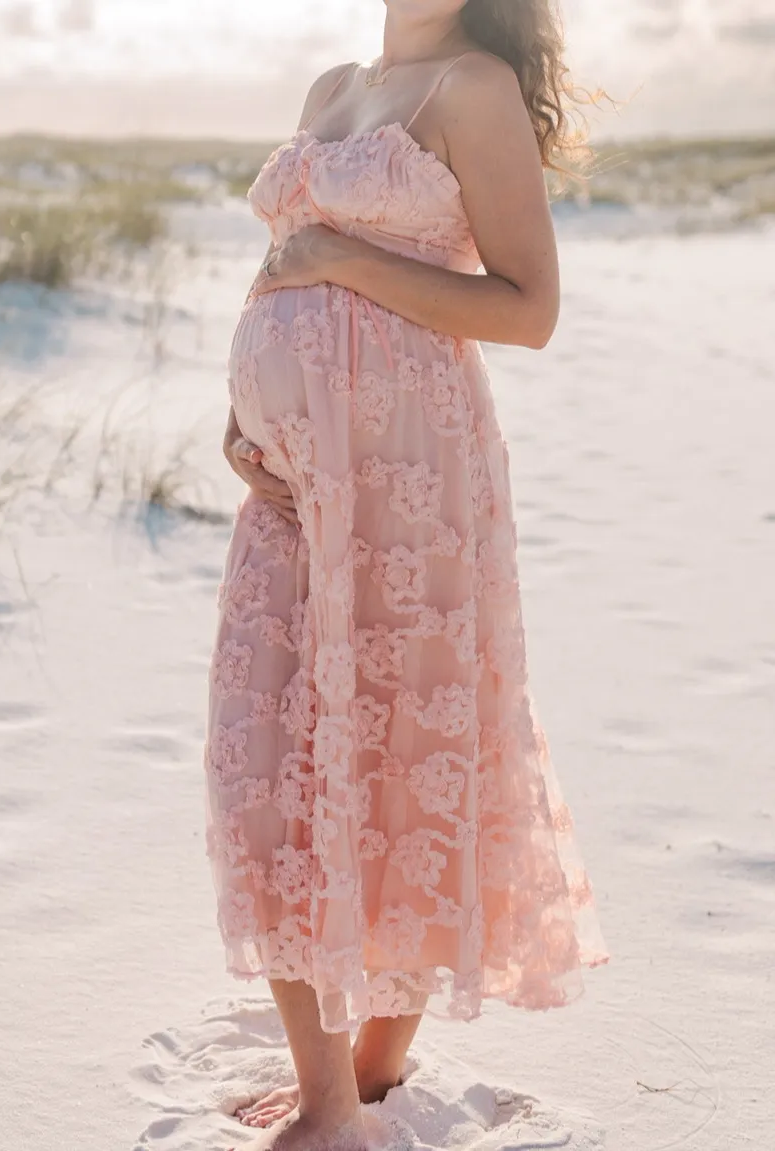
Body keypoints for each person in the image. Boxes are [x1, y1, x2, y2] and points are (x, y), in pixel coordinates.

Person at [204, 1, 609, 1148]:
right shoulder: (332, 87)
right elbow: (276, 276)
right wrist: (237, 421)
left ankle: (350, 1089)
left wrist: (344, 257)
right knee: (267, 763)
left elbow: (527, 308)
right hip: (292, 489)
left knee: (401, 750)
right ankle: (349, 1076)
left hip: (409, 484)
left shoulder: (472, 89)